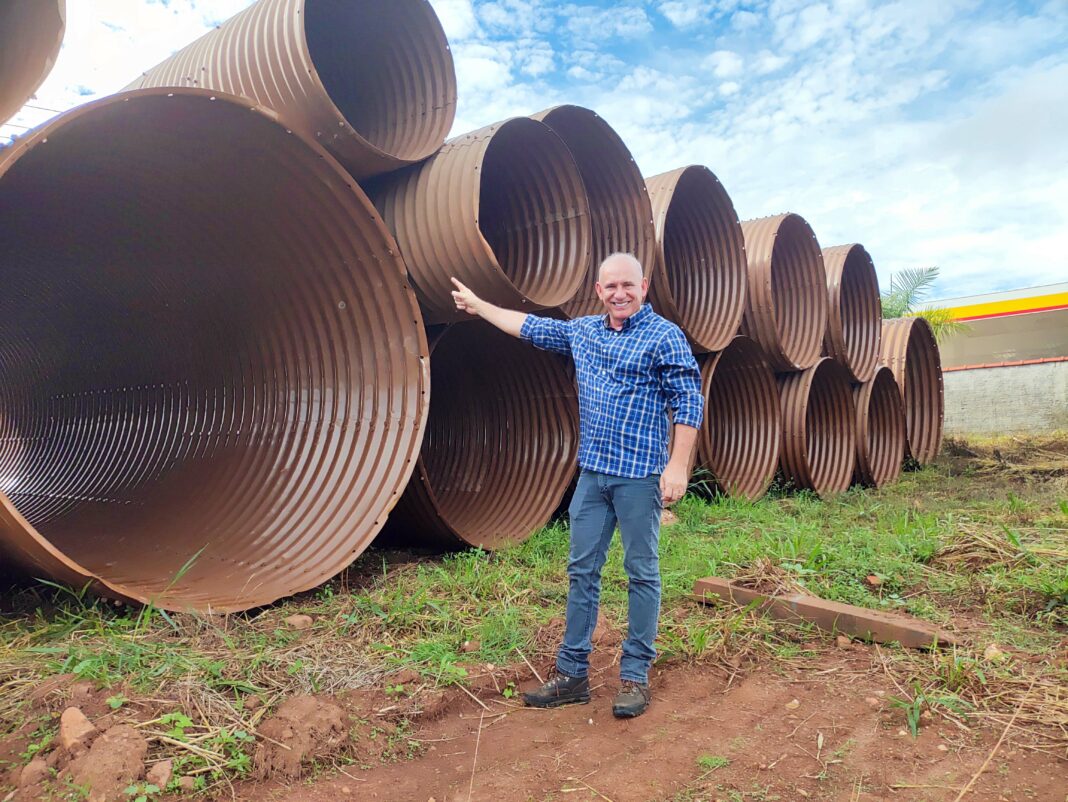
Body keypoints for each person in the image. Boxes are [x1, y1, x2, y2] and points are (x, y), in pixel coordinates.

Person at [449, 252, 703, 718]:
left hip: (638, 476)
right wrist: (480, 305)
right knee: (581, 572)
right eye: (610, 287)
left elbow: (688, 401)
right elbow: (528, 326)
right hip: (593, 476)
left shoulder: (665, 337)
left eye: (627, 285)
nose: (619, 294)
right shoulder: (582, 332)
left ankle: (634, 676)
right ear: (599, 289)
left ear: (643, 287)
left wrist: (678, 466)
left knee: (641, 573)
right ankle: (572, 676)